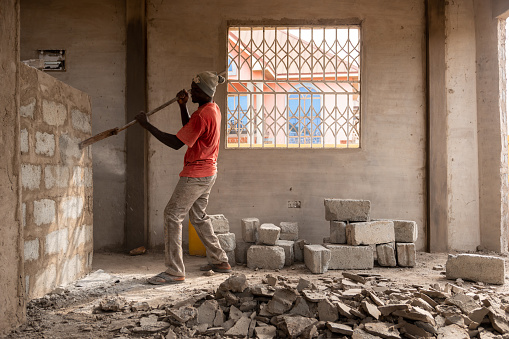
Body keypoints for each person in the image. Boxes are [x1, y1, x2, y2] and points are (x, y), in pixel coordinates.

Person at [135, 71, 231, 285]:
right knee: (198, 217)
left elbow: (177, 142)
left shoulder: (202, 114)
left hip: (196, 174)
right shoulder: (212, 109)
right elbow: (189, 131)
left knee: (172, 214)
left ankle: (174, 271)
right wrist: (182, 105)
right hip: (209, 172)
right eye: (191, 88)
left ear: (206, 92)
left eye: (195, 90)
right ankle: (220, 261)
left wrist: (146, 125)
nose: (190, 92)